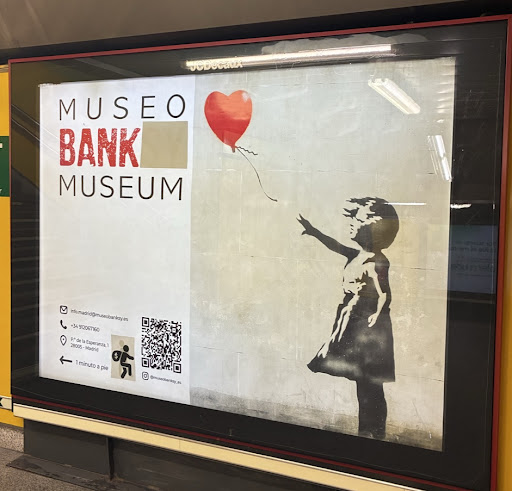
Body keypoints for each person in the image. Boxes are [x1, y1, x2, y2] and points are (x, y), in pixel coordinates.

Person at [297, 197, 399, 440]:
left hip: (367, 326)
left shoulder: (376, 261)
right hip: (353, 320)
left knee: (370, 382)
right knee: (363, 382)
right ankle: (368, 430)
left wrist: (376, 316)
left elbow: (385, 294)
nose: (351, 223)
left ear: (373, 227)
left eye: (357, 219)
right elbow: (334, 245)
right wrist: (313, 231)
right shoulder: (356, 255)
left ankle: (374, 431)